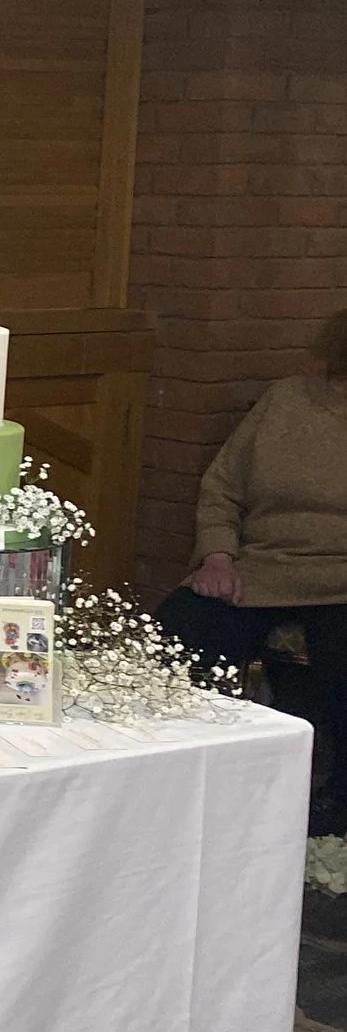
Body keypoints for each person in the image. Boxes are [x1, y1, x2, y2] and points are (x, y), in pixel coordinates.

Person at [160, 308, 347, 829]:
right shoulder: (286, 400)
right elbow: (222, 489)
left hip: (342, 580)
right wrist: (218, 555)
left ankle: (334, 802)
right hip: (263, 567)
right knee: (181, 626)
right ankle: (177, 773)